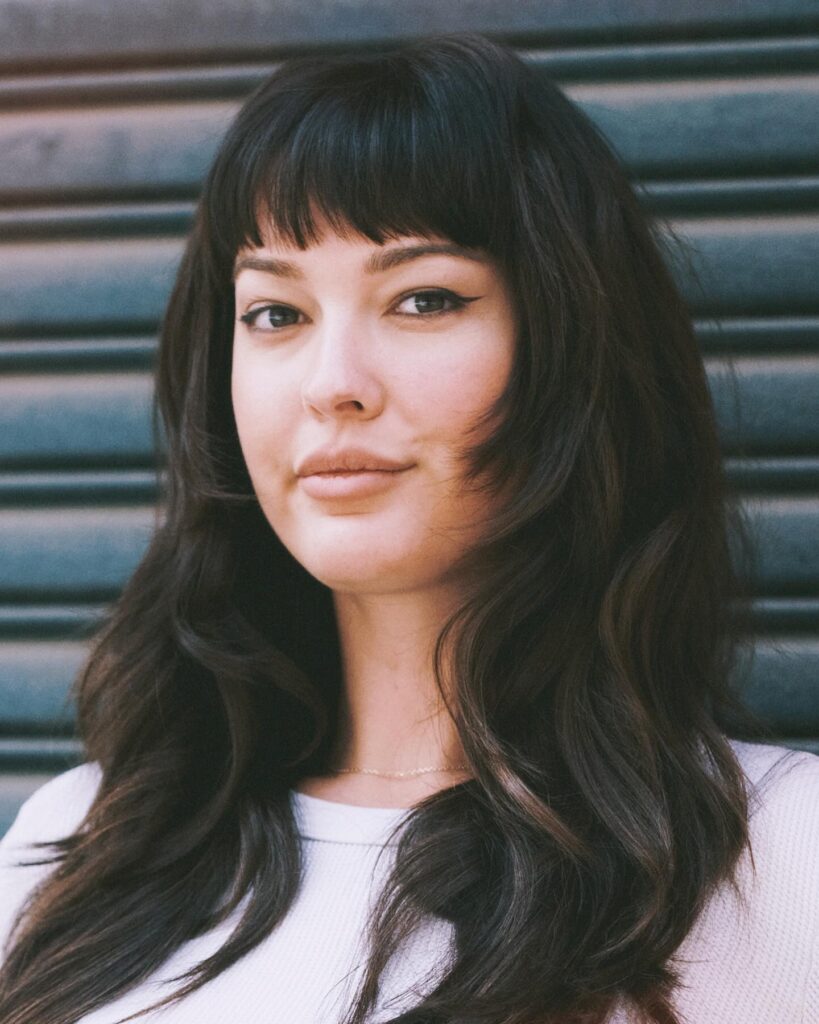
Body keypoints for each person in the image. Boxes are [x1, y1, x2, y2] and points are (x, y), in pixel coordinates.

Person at [0, 33, 816, 1024]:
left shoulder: (775, 861)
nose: (333, 382)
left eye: (423, 298)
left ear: (568, 350)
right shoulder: (77, 843)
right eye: (274, 313)